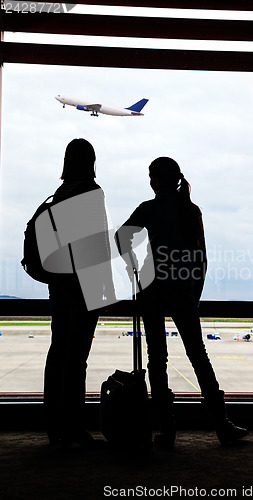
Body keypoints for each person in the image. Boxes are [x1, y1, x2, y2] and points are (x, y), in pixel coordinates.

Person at [115, 157, 248, 449]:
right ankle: (221, 424)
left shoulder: (148, 209)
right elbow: (201, 259)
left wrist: (135, 270)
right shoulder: (190, 210)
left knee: (156, 361)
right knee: (198, 356)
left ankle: (167, 429)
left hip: (152, 289)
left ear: (156, 180)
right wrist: (193, 294)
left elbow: (121, 236)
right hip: (183, 290)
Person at [44, 138, 114, 449]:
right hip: (83, 287)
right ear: (92, 161)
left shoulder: (59, 194)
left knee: (58, 352)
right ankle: (73, 427)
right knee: (76, 359)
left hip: (59, 286)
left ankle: (54, 425)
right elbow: (96, 245)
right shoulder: (90, 191)